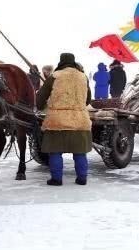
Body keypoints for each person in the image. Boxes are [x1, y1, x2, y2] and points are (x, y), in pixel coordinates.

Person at [37, 53, 92, 186]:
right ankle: (82, 178)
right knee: (80, 153)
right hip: (80, 120)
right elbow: (88, 99)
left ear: (61, 62)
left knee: (55, 152)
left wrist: (41, 106)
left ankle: (56, 179)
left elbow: (40, 99)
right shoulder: (83, 77)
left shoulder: (54, 76)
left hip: (57, 121)